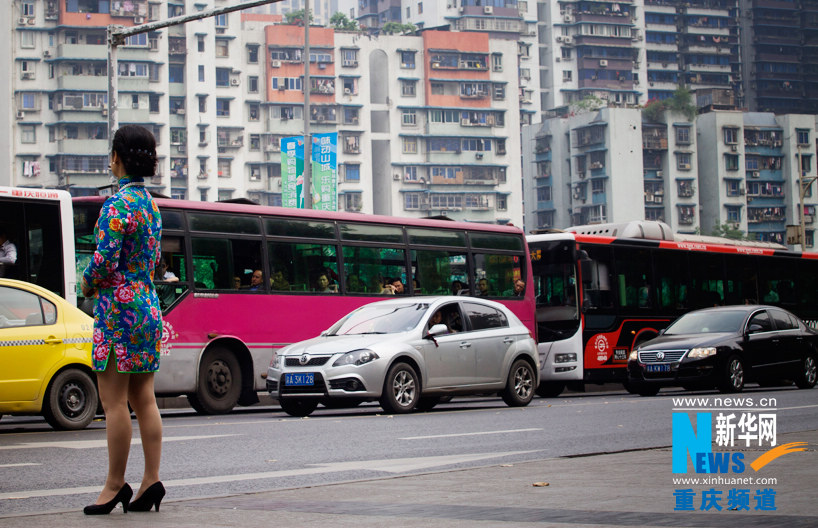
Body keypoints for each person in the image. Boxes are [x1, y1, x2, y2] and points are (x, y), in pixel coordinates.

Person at [80, 124, 165, 515]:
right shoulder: (151, 205)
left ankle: (115, 485)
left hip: (118, 310)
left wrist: (85, 283)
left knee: (113, 402)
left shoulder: (117, 205)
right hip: (148, 306)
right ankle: (151, 481)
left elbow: (104, 261)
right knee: (143, 398)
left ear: (116, 157)